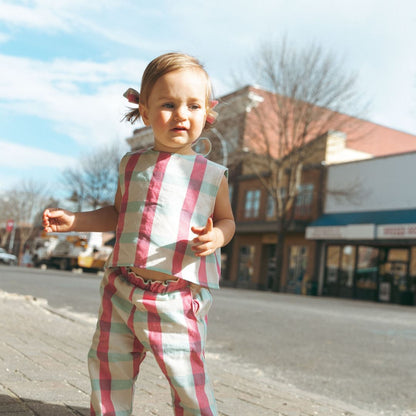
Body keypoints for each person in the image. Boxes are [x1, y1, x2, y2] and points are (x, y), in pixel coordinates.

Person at [42, 52, 235, 416]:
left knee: (187, 381)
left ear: (206, 114)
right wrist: (75, 221)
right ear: (145, 112)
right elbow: (117, 214)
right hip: (121, 289)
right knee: (107, 367)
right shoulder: (131, 165)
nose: (181, 114)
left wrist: (218, 237)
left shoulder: (212, 174)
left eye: (193, 106)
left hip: (175, 299)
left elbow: (228, 220)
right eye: (168, 104)